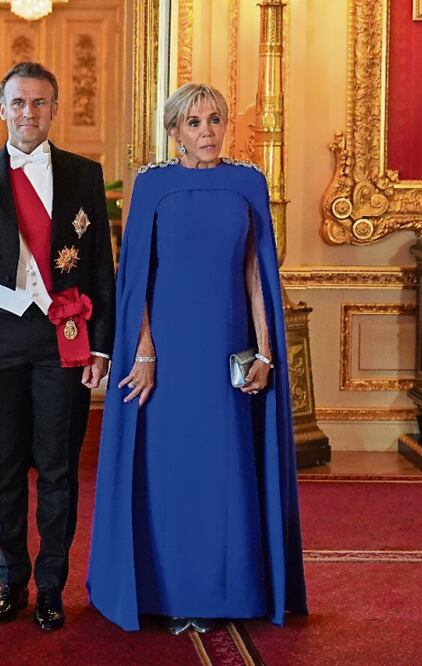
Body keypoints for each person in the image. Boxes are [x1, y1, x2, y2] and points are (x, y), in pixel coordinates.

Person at [87, 83, 307, 635]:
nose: (206, 132)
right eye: (193, 123)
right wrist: (143, 351)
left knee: (224, 468)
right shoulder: (154, 185)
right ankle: (168, 591)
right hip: (168, 354)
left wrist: (266, 351)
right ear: (174, 131)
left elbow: (258, 273)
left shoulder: (247, 182)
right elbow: (136, 274)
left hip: (225, 350)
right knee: (170, 469)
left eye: (213, 120)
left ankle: (227, 593)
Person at [0, 62, 115, 632]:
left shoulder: (83, 174)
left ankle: (50, 587)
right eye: (18, 103)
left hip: (63, 338)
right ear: (2, 109)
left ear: (54, 109)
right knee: (6, 468)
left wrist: (103, 349)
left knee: (60, 467)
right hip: (0, 337)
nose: (28, 113)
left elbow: (100, 271)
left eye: (40, 103)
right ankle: (10, 580)